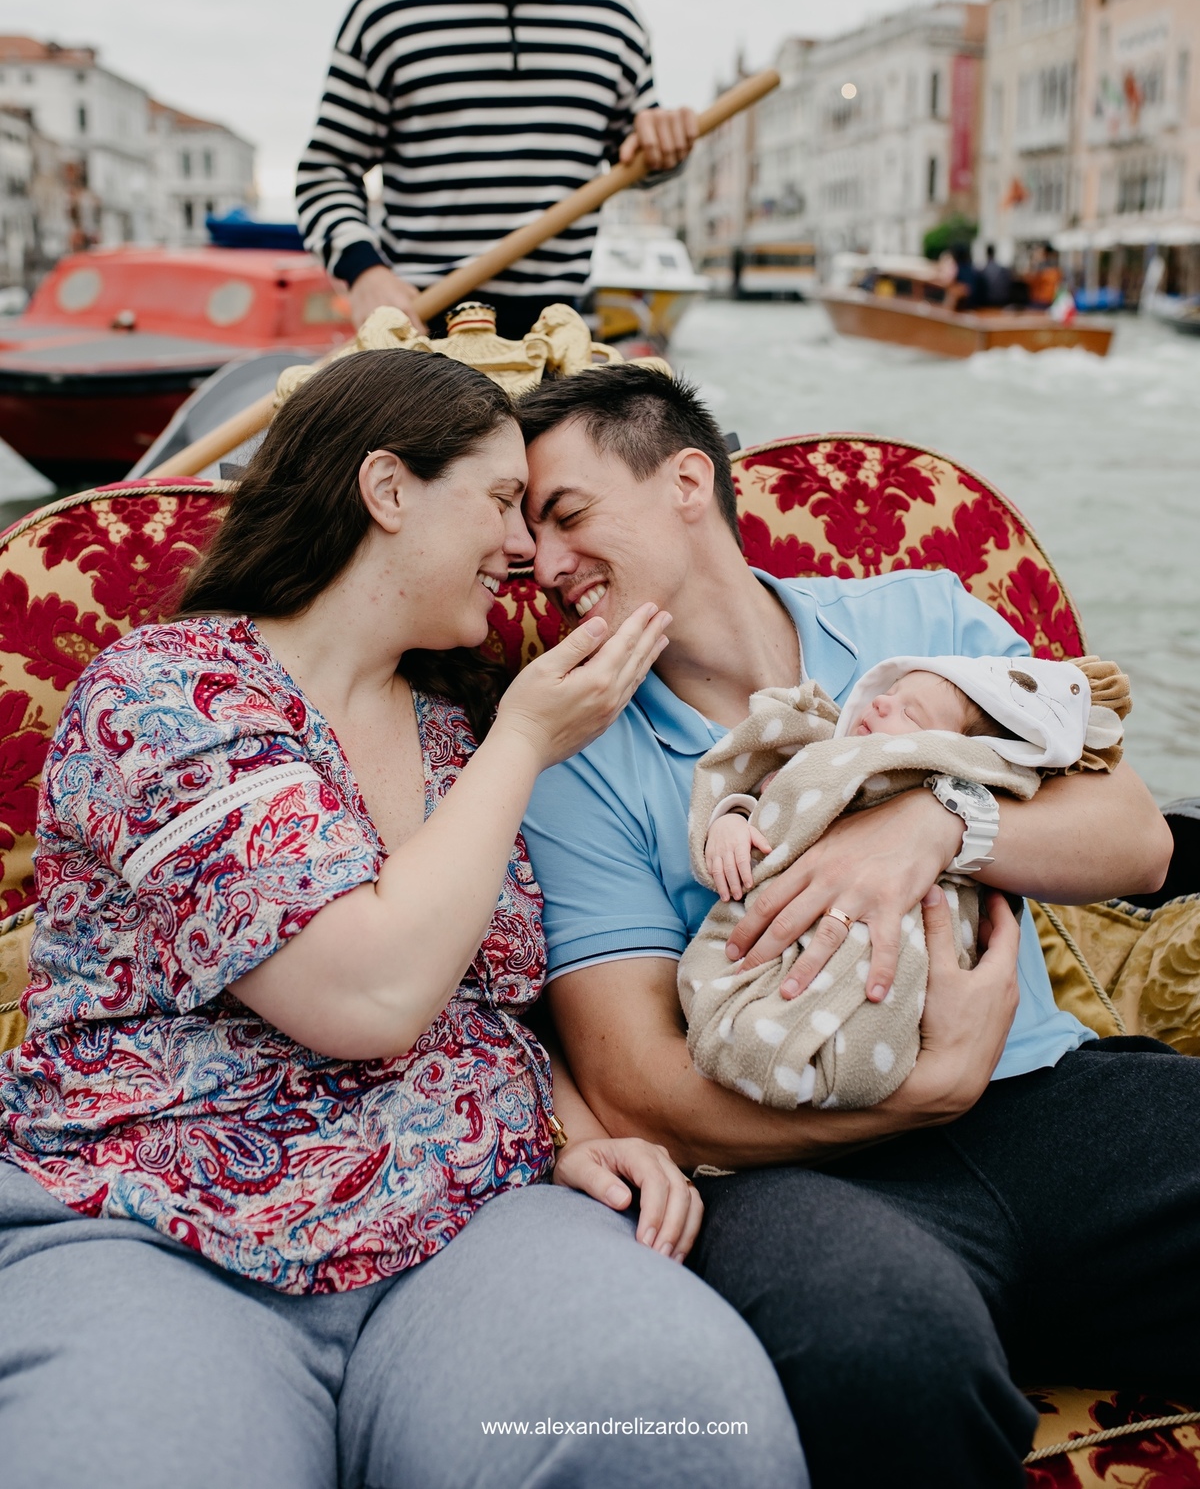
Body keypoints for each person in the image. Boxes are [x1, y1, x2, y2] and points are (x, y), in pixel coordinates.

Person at [0, 350, 805, 1489]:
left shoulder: (453, 730)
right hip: (157, 1226)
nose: (526, 550)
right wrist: (528, 740)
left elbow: (492, 1003)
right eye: (496, 502)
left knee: (676, 1430)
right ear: (386, 490)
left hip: (475, 1230)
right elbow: (367, 995)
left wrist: (577, 1131)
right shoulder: (168, 693)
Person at [513, 363, 1191, 1489]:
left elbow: (1137, 838)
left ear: (688, 480)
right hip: (803, 1172)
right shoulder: (573, 756)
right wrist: (924, 1095)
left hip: (1059, 1100)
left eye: (569, 515)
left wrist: (936, 824)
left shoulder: (920, 616)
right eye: (529, 537)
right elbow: (634, 1081)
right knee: (878, 1352)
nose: (544, 567)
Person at [296, 0, 697, 339]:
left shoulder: (611, 17)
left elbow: (641, 158)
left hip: (555, 339)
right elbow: (325, 172)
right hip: (423, 338)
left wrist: (667, 143)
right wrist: (365, 273)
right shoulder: (387, 16)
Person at [684, 655, 1127, 1113]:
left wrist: (942, 821)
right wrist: (731, 820)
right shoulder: (816, 759)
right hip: (781, 937)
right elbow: (767, 805)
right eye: (887, 695)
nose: (879, 704)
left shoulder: (967, 790)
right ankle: (772, 1048)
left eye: (909, 713)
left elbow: (1142, 850)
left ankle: (833, 1060)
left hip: (996, 1042)